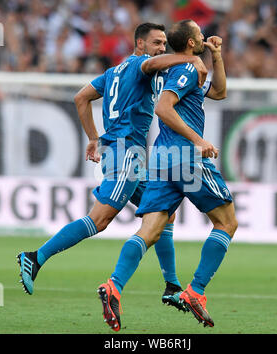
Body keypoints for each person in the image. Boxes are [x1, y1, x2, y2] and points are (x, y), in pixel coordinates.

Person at [16, 23, 208, 311]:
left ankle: (172, 286)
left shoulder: (112, 72)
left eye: (165, 42)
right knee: (100, 219)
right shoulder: (140, 64)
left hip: (124, 155)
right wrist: (190, 58)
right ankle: (35, 257)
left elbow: (81, 97)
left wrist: (94, 138)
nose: (161, 48)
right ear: (140, 44)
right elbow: (154, 63)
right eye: (156, 42)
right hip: (126, 155)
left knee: (164, 213)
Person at [98, 19, 238, 331]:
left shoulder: (177, 70)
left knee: (149, 232)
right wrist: (198, 139)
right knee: (227, 222)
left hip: (161, 160)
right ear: (190, 43)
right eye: (200, 36)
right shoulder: (187, 68)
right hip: (184, 158)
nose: (204, 37)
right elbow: (164, 108)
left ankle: (113, 286)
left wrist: (216, 55)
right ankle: (195, 292)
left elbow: (220, 92)